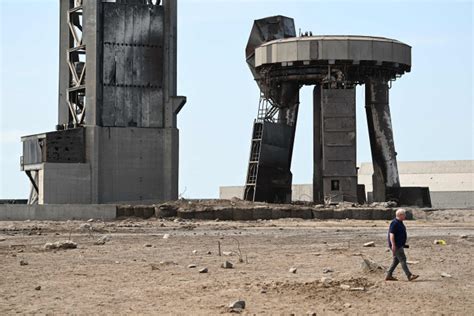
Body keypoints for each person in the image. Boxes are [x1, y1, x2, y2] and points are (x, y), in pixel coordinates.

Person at [386, 208, 419, 281]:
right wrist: (393, 245)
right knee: (403, 259)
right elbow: (391, 235)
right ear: (400, 215)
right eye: (404, 214)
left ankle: (388, 275)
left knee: (396, 260)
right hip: (396, 245)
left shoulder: (400, 222)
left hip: (399, 245)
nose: (405, 216)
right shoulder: (394, 223)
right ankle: (409, 275)